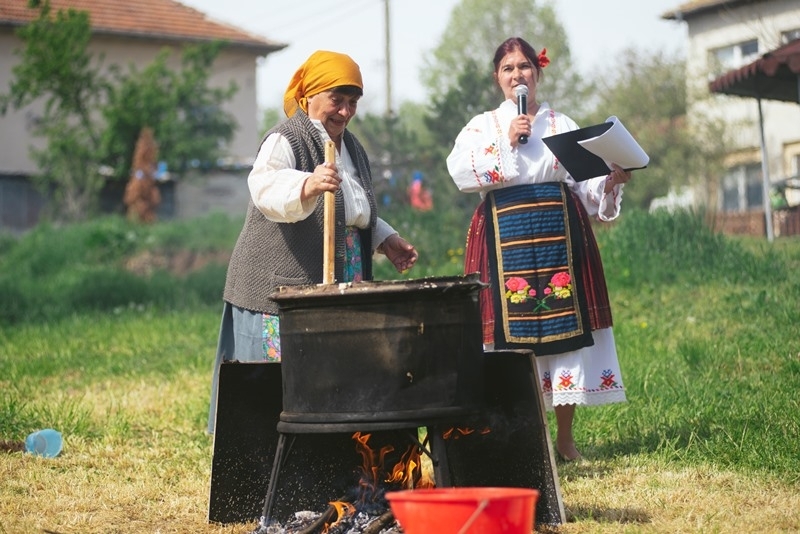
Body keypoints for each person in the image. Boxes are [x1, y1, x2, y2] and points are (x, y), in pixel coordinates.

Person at [207, 50, 418, 434]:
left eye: (352, 102)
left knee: (329, 373)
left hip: (342, 274)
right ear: (309, 97)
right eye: (336, 100)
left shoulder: (352, 147)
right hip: (279, 281)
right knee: (280, 380)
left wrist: (386, 238)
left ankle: (324, 450)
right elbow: (264, 187)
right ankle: (264, 458)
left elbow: (352, 205)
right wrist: (306, 184)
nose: (345, 111)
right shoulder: (286, 138)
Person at [446, 37, 630, 461]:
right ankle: (522, 439)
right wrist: (505, 142)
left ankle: (564, 439)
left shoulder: (560, 123)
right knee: (507, 339)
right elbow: (458, 171)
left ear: (538, 73)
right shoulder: (483, 126)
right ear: (498, 77)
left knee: (564, 333)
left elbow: (583, 184)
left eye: (524, 67)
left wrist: (609, 182)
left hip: (558, 235)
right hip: (501, 235)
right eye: (508, 68)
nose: (517, 75)